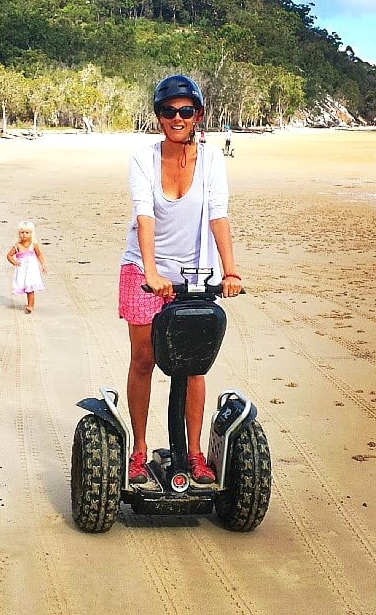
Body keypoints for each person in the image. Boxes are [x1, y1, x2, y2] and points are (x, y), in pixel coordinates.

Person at [118, 75, 241, 485]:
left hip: (193, 276)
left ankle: (194, 455)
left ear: (198, 116)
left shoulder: (211, 160)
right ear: (158, 117)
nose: (177, 117)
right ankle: (138, 450)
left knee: (193, 366)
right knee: (144, 359)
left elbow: (218, 214)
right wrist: (151, 272)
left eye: (185, 111)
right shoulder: (143, 158)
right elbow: (144, 213)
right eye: (168, 111)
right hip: (143, 269)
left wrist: (230, 270)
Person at [6, 221, 47, 313]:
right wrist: (14, 262)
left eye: (27, 232)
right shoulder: (17, 246)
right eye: (22, 232)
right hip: (22, 270)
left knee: (30, 287)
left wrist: (43, 265)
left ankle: (30, 305)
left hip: (32, 269)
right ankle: (30, 305)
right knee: (25, 285)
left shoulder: (33, 245)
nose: (24, 235)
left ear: (31, 234)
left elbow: (39, 254)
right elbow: (9, 255)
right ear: (19, 233)